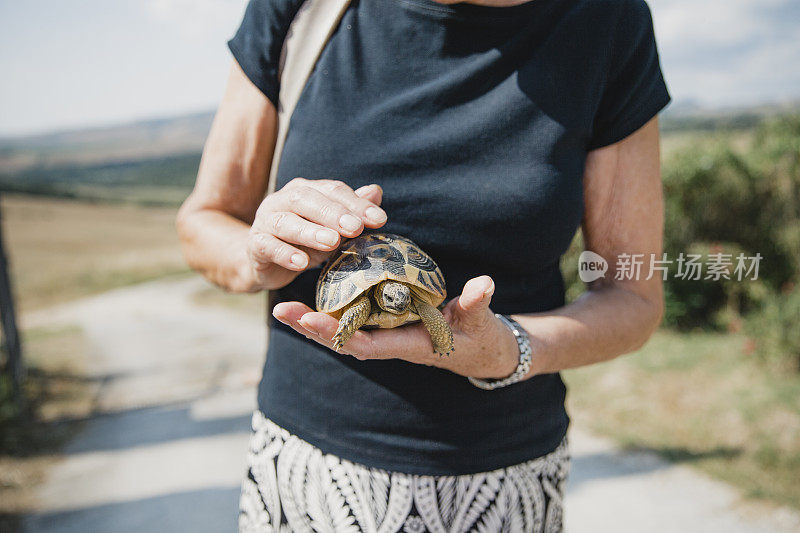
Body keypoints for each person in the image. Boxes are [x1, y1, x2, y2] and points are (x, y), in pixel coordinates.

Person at [176, 0, 670, 530]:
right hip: (308, 470)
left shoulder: (608, 20)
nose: (393, 300)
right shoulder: (301, 9)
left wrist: (508, 349)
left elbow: (634, 297)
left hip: (501, 480)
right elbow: (204, 220)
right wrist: (260, 254)